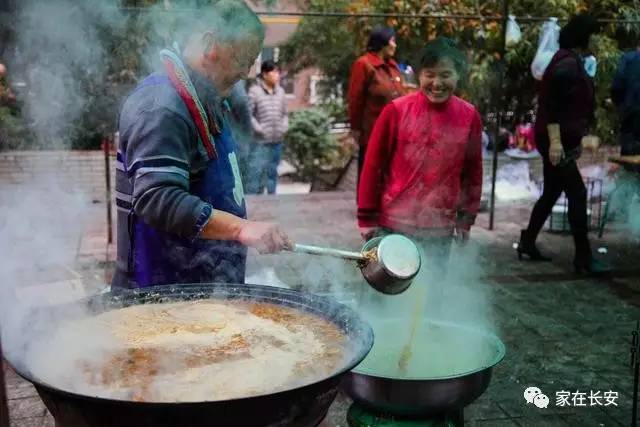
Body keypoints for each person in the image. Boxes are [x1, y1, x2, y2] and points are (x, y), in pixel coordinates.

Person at [112, 0, 291, 289]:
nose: (246, 72)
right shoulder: (160, 106)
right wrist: (241, 228)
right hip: (161, 298)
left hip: (205, 293)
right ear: (211, 44)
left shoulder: (209, 98)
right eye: (244, 58)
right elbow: (158, 198)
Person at [357, 37, 483, 274]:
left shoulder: (469, 117)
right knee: (385, 295)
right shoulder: (396, 111)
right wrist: (366, 217)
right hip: (392, 224)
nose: (437, 83)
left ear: (458, 76)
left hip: (439, 229)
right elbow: (372, 166)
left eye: (446, 75)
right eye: (429, 74)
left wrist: (466, 219)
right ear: (419, 75)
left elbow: (473, 172)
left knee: (430, 296)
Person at [518, 14, 610, 275]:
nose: (596, 41)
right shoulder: (567, 64)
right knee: (578, 194)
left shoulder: (569, 61)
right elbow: (552, 107)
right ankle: (583, 258)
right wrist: (557, 142)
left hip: (557, 140)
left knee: (552, 192)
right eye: (593, 36)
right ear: (584, 37)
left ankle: (527, 242)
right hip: (554, 142)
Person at [347, 27, 405, 195]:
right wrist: (356, 128)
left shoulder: (393, 68)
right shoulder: (363, 64)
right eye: (392, 41)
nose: (395, 45)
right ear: (382, 43)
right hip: (373, 130)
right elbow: (355, 99)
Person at [246, 60, 289, 195]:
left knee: (272, 171)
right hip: (261, 142)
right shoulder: (255, 91)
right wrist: (259, 129)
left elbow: (285, 114)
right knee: (258, 172)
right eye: (274, 72)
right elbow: (248, 115)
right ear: (265, 74)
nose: (277, 75)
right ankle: (258, 203)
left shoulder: (281, 92)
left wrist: (284, 127)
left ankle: (272, 200)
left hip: (277, 140)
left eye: (278, 72)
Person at [611, 46, 640, 155]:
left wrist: (619, 103)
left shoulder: (628, 58)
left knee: (629, 152)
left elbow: (617, 85)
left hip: (631, 112)